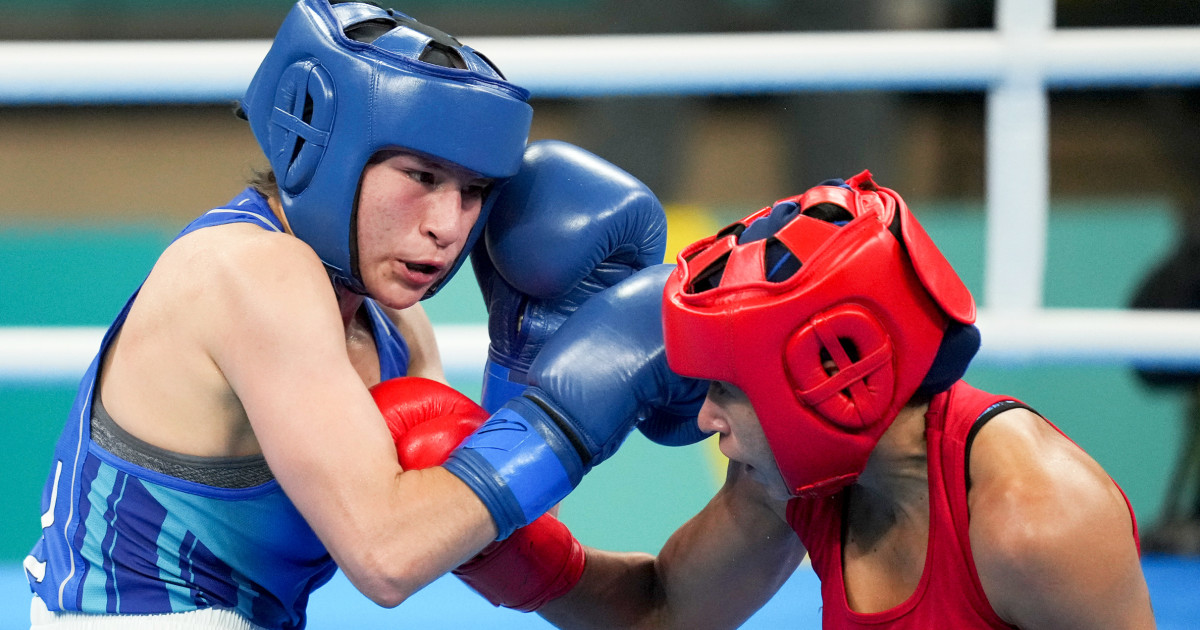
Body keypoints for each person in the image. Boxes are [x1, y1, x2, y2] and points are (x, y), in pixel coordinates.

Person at [22, 0, 671, 627]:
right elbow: (387, 556)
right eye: (421, 176)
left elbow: (473, 531)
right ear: (325, 152)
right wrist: (571, 408)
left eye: (474, 191)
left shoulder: (397, 329)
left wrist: (521, 369)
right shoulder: (249, 270)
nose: (448, 226)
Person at [432, 171, 1158, 628]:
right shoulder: (803, 474)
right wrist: (503, 545)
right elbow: (663, 612)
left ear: (826, 380)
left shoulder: (1039, 525)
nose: (704, 417)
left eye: (723, 389)